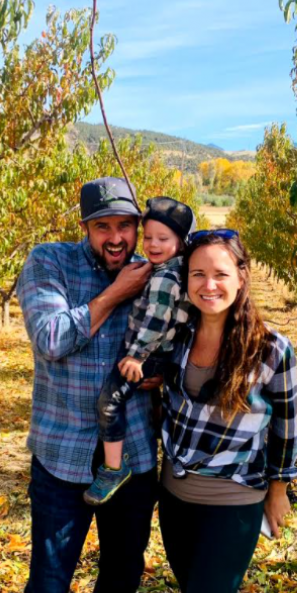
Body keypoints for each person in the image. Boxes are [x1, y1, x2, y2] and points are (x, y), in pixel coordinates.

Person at [1, 177, 160, 593]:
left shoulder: (156, 270)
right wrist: (116, 293)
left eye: (125, 226)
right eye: (102, 226)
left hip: (131, 455)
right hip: (62, 456)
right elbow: (49, 338)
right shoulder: (49, 262)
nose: (116, 238)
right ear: (85, 228)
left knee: (121, 575)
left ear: (138, 227)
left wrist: (160, 369)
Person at [158, 229, 297, 593]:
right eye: (197, 274)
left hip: (233, 504)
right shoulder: (175, 338)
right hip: (175, 500)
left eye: (220, 273)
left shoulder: (272, 349)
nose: (208, 285)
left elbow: (286, 427)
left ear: (241, 277)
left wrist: (278, 491)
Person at [84, 196, 196, 505]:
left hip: (145, 353)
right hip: (155, 354)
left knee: (109, 403)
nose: (152, 244)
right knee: (148, 401)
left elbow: (154, 323)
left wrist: (136, 355)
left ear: (181, 242)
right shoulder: (172, 271)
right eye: (147, 237)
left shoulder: (163, 279)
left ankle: (114, 468)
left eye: (163, 238)